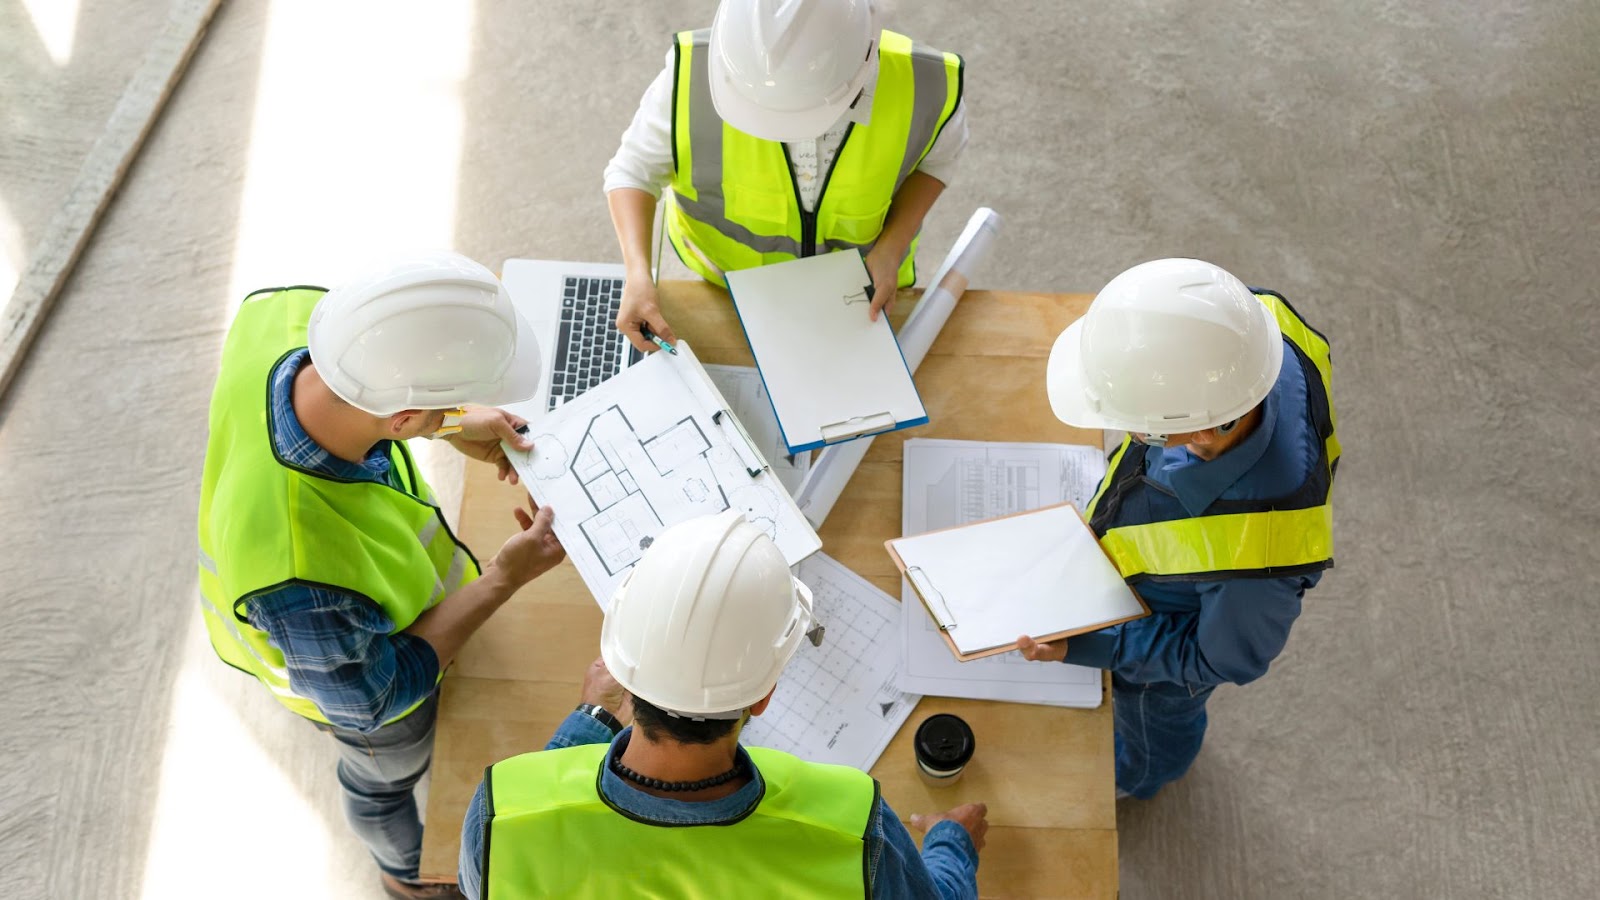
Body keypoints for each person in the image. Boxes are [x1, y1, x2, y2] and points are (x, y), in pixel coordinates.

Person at [196, 251, 567, 899]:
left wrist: (450, 423)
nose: (455, 411)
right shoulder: (297, 571)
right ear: (399, 420)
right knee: (382, 777)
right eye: (442, 405)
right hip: (346, 676)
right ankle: (402, 876)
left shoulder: (296, 322)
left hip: (327, 592)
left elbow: (376, 402)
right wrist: (504, 578)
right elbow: (371, 700)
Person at [457, 511, 987, 898]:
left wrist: (590, 719)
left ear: (620, 665)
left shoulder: (502, 812)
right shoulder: (849, 822)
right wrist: (952, 843)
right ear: (763, 696)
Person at [1020, 258, 1340, 800]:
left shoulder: (1258, 550)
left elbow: (1219, 659)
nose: (1126, 431)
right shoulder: (1250, 328)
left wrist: (1091, 643)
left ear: (1200, 428)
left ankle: (1143, 777)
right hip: (1154, 559)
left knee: (1155, 728)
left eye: (1137, 424)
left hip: (1158, 664)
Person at [604, 0, 968, 352]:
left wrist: (891, 249)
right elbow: (633, 170)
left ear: (864, 59)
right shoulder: (688, 77)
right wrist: (638, 273)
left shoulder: (928, 84)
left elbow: (936, 161)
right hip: (724, 285)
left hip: (858, 296)